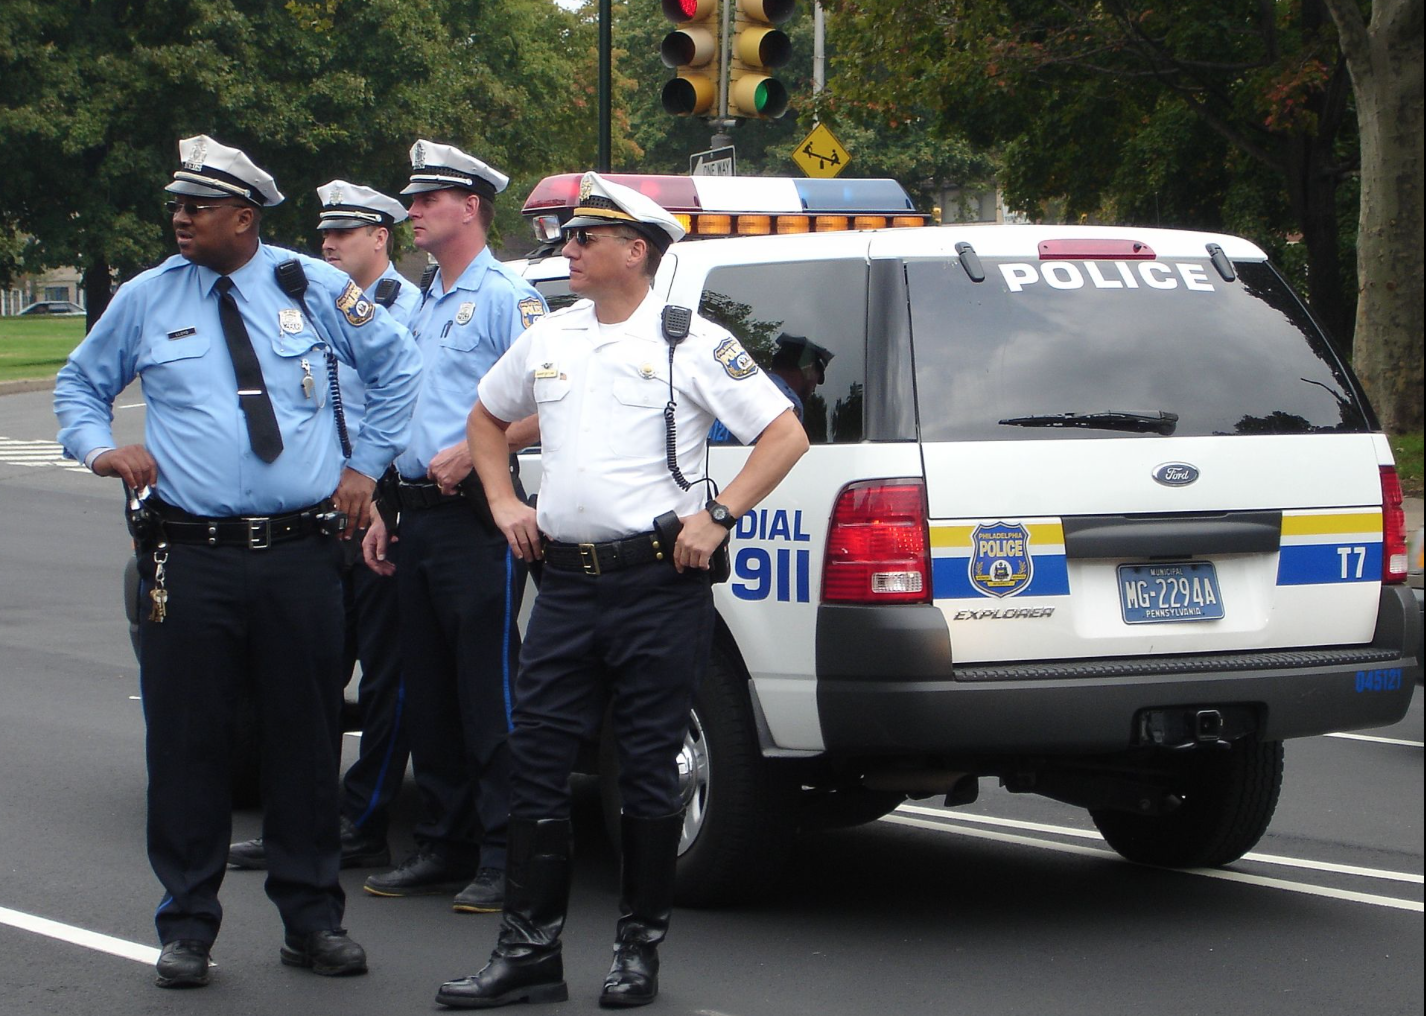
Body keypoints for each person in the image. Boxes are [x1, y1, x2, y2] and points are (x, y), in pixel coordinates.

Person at [53, 136, 421, 989]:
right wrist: (100, 448)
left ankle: (311, 920)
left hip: (300, 553)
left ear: (244, 218)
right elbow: (80, 386)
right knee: (188, 745)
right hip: (191, 553)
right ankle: (185, 926)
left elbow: (397, 365)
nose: (180, 218)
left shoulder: (314, 285)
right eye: (177, 206)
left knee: (303, 739)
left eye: (198, 207)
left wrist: (366, 465)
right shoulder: (147, 297)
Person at [438, 172, 808, 1009]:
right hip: (566, 584)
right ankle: (528, 954)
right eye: (568, 238)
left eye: (583, 240)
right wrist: (502, 502)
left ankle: (637, 954)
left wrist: (718, 513)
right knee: (535, 762)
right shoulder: (552, 336)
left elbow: (784, 434)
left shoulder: (690, 341)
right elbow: (486, 419)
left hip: (655, 584)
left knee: (645, 771)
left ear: (634, 253)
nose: (566, 250)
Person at [361, 140, 547, 914]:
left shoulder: (507, 294)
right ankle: (444, 843)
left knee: (488, 695)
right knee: (428, 691)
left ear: (469, 207)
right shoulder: (421, 299)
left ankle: (508, 854)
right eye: (412, 201)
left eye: (426, 201)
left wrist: (484, 451)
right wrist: (379, 501)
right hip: (414, 513)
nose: (412, 213)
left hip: (477, 521)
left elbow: (557, 399)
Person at [228, 181, 419, 874]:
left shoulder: (409, 309)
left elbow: (412, 403)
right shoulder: (306, 300)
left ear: (381, 239)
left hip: (381, 505)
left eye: (346, 233)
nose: (329, 245)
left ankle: (363, 821)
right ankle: (294, 825)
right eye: (324, 234)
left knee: (383, 681)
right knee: (302, 680)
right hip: (317, 515)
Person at [766, 332, 833, 423]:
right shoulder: (788, 405)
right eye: (815, 382)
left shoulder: (750, 385)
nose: (813, 391)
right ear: (809, 370)